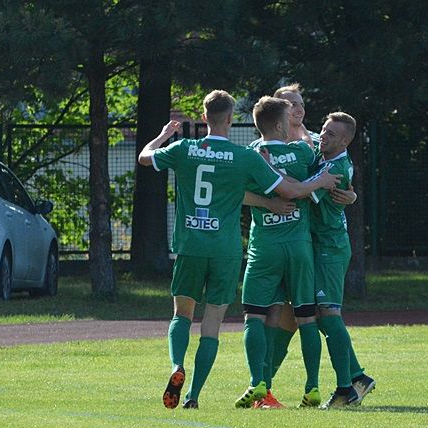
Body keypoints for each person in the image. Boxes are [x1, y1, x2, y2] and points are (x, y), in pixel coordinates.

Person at [137, 90, 340, 410]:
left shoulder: (186, 149)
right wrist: (317, 183)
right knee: (214, 324)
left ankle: (178, 366)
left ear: (204, 118)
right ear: (231, 119)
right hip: (227, 249)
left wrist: (162, 136)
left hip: (191, 245)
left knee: (183, 315)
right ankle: (193, 396)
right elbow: (291, 189)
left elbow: (145, 158)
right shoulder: (243, 157)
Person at [237, 96, 335, 409]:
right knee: (306, 319)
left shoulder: (251, 155)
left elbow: (237, 192)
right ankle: (313, 387)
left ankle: (258, 383)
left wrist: (267, 200)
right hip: (299, 247)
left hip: (264, 247)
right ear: (282, 124)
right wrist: (312, 182)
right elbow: (305, 177)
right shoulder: (301, 151)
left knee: (256, 315)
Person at [307, 111, 376, 409]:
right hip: (320, 246)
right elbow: (303, 133)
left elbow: (300, 193)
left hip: (329, 248)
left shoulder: (335, 168)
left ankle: (346, 389)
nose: (323, 135)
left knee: (328, 313)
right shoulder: (323, 152)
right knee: (322, 316)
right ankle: (358, 376)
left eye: (331, 134)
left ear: (346, 141)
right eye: (323, 130)